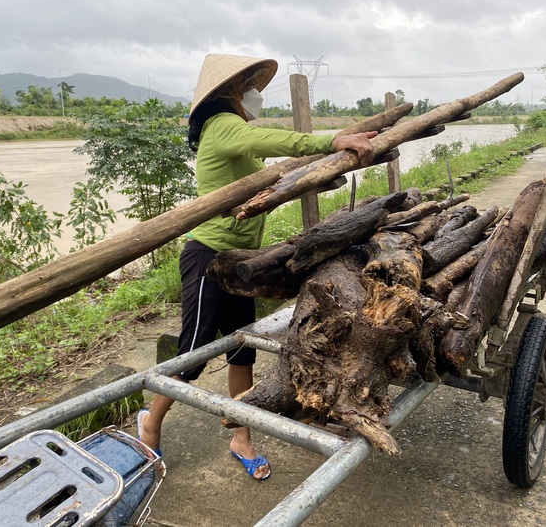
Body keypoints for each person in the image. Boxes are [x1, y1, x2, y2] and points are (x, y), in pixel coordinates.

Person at [137, 54, 376, 480]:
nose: (255, 92)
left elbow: (275, 162)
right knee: (192, 354)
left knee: (241, 348)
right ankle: (150, 422)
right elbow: (271, 142)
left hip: (240, 261)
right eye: (248, 83)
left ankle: (240, 435)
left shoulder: (231, 129)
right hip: (208, 257)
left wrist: (327, 158)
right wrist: (332, 141)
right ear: (229, 91)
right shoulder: (222, 128)